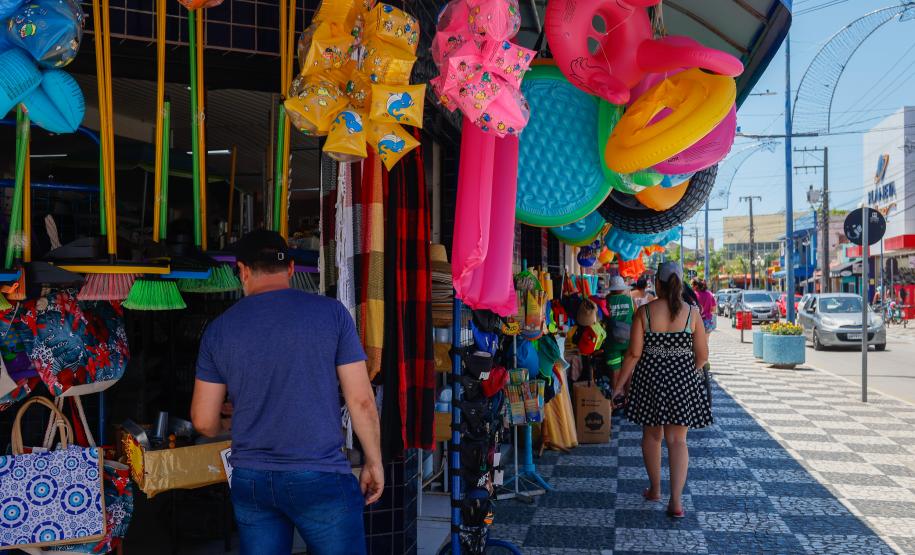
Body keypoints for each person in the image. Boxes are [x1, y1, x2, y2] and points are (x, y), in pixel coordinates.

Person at [191, 230, 383, 555]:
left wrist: (231, 423)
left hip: (252, 479)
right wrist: (373, 462)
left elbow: (203, 421)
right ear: (291, 268)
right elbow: (361, 401)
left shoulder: (219, 329)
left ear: (243, 271)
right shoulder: (332, 314)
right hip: (320, 474)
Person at [615, 262, 711, 519]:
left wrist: (618, 386)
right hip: (682, 382)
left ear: (657, 283)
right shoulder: (692, 313)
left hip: (651, 381)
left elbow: (634, 354)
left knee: (652, 436)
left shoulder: (644, 312)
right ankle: (676, 502)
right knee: (678, 440)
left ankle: (655, 489)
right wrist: (685, 372)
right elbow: (702, 356)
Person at [604, 276, 634, 391]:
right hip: (628, 341)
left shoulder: (606, 301)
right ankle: (628, 396)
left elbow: (602, 318)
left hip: (612, 342)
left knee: (615, 373)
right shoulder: (629, 300)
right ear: (622, 288)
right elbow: (635, 316)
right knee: (628, 371)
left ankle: (616, 397)